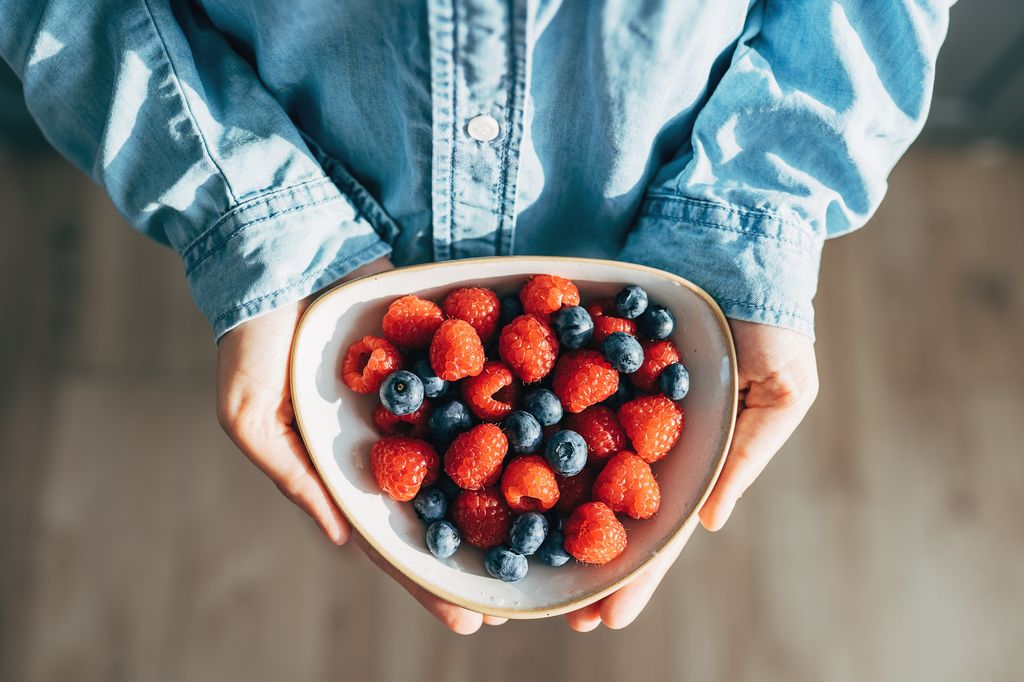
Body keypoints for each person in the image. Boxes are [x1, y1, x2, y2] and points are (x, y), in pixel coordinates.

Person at [0, 1, 950, 633]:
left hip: (653, 191)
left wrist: (754, 219)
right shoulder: (503, 414)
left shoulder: (539, 422)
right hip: (299, 184)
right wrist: (246, 211)